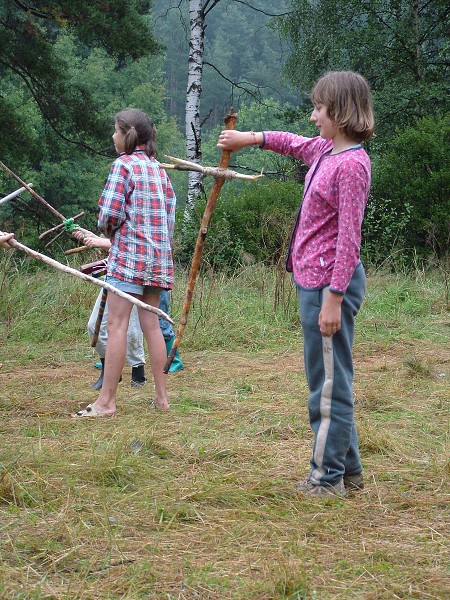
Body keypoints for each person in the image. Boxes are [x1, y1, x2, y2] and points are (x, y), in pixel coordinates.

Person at [217, 71, 374, 497]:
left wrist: (334, 299)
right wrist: (250, 138)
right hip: (316, 284)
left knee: (327, 385)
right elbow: (292, 142)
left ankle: (326, 481)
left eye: (319, 109)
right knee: (330, 378)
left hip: (329, 287)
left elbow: (349, 238)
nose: (312, 116)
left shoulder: (352, 166)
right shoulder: (326, 150)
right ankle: (350, 473)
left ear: (339, 113)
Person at [72, 108, 176, 417]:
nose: (113, 136)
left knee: (116, 324)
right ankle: (161, 397)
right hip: (158, 259)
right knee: (152, 326)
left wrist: (108, 232)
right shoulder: (160, 169)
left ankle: (106, 402)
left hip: (129, 259)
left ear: (127, 134)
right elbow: (169, 218)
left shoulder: (123, 166)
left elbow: (110, 215)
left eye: (116, 131)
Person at [73, 230, 183, 390]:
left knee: (138, 328)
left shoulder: (149, 214)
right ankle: (109, 371)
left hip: (136, 273)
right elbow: (116, 236)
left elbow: (138, 243)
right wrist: (91, 237)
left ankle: (139, 374)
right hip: (117, 271)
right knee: (94, 326)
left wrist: (100, 242)